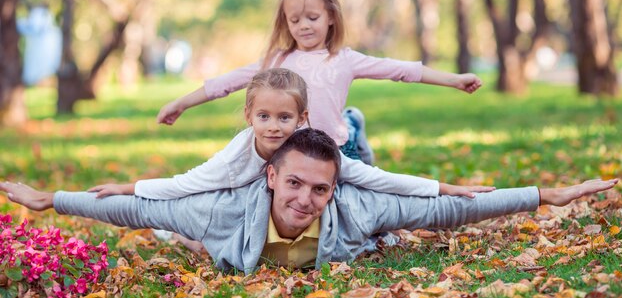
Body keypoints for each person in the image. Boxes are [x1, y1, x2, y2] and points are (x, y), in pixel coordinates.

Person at [0, 129, 618, 273]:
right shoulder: (218, 208)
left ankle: (352, 129)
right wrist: (50, 202)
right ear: (270, 175)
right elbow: (134, 209)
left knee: (387, 201)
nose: (305, 197)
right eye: (294, 182)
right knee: (180, 234)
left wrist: (548, 196)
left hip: (366, 204)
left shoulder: (353, 203)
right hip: (216, 232)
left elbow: (447, 210)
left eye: (319, 188)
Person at [86, 68, 490, 250]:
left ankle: (353, 127)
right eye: (264, 117)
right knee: (197, 229)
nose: (275, 127)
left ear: (302, 118)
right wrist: (128, 187)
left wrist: (443, 187)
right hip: (248, 201)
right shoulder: (235, 157)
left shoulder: (307, 147)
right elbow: (184, 184)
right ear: (249, 117)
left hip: (314, 181)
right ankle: (167, 234)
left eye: (285, 117)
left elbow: (376, 179)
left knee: (354, 180)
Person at [156, 0, 482, 162]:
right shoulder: (277, 62)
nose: (303, 26)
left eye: (312, 18)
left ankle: (353, 126)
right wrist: (180, 103)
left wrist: (454, 80)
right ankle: (353, 120)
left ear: (330, 17)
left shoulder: (345, 59)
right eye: (294, 19)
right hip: (292, 151)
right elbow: (225, 83)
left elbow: (400, 70)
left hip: (338, 149)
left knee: (361, 196)